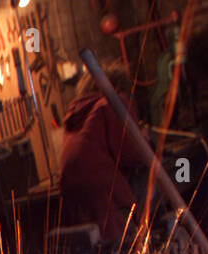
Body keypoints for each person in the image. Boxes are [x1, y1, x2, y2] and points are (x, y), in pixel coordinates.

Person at [58, 69, 145, 244]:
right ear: (118, 87)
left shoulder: (76, 113)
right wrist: (146, 141)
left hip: (71, 195)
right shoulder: (112, 103)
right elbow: (133, 153)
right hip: (104, 192)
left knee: (95, 251)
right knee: (123, 248)